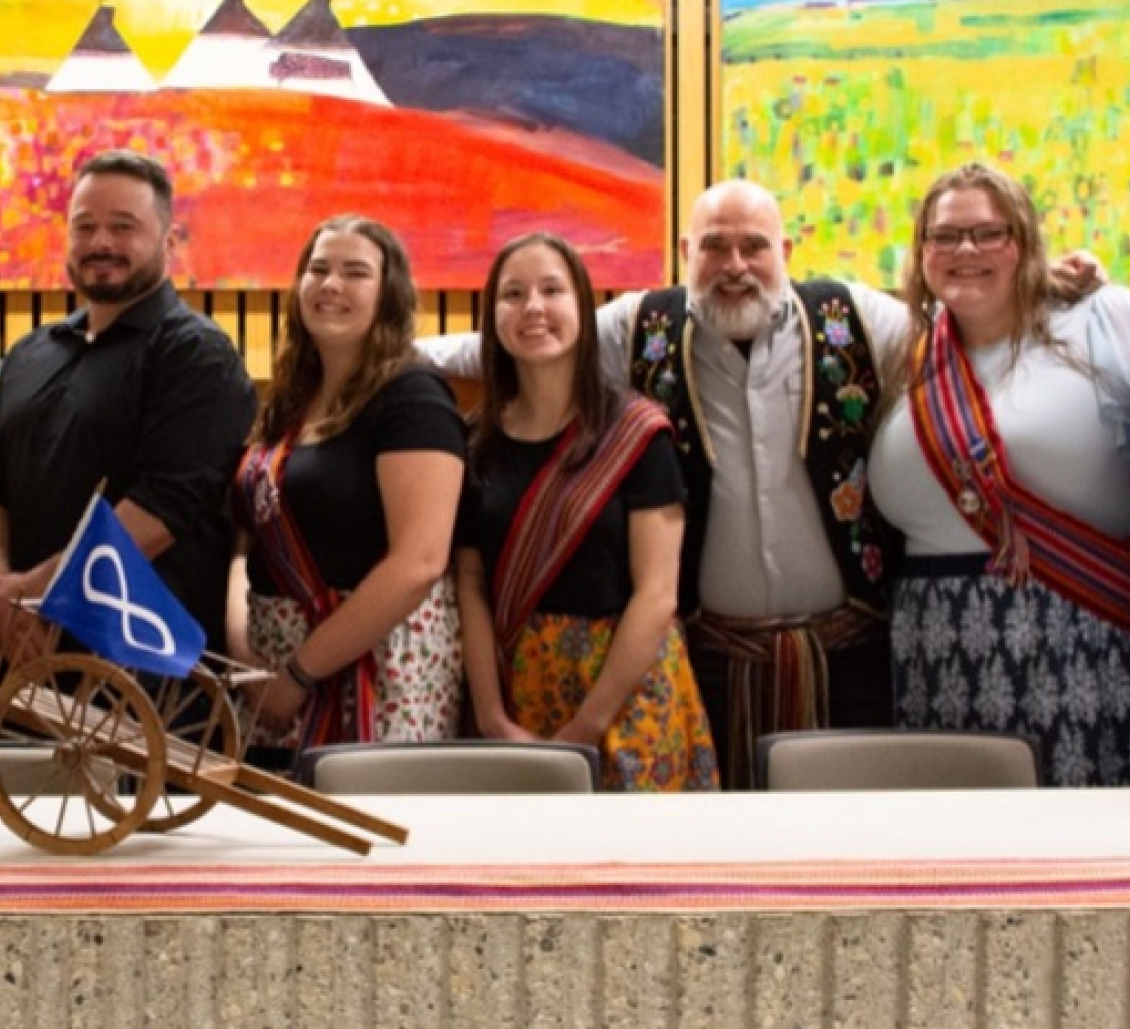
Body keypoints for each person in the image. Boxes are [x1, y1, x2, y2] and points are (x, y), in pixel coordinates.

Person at [422, 180, 905, 788]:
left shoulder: (858, 317)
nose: (734, 266)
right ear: (685, 251)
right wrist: (382, 350)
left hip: (850, 658)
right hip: (707, 661)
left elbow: (957, 325)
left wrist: (1050, 292)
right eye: (714, 247)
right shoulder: (639, 324)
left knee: (847, 849)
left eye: (753, 246)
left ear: (786, 249)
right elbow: (518, 337)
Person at [867, 161, 1130, 787]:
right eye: (945, 236)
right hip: (940, 645)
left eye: (989, 233)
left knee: (1089, 844)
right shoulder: (905, 351)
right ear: (922, 251)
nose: (966, 251)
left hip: (1090, 638)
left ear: (1025, 241)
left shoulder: (1104, 319)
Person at [0, 150, 256, 667]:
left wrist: (39, 593)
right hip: (20, 659)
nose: (101, 243)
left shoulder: (196, 354)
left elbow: (164, 508)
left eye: (123, 227)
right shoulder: (29, 353)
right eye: (85, 227)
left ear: (169, 242)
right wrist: (4, 591)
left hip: (146, 682)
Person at [454, 234, 717, 790]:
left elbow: (657, 593)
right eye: (513, 294)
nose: (533, 308)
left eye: (552, 290)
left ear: (582, 307)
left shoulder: (638, 434)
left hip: (626, 691)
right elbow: (471, 581)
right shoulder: (477, 440)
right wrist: (491, 714)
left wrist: (588, 723)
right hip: (516, 687)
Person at [234, 215, 466, 750]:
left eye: (355, 272)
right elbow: (244, 544)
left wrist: (297, 675)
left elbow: (419, 562)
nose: (331, 285)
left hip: (376, 671)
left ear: (388, 294)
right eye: (318, 270)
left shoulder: (414, 397)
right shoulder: (290, 397)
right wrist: (246, 663)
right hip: (267, 674)